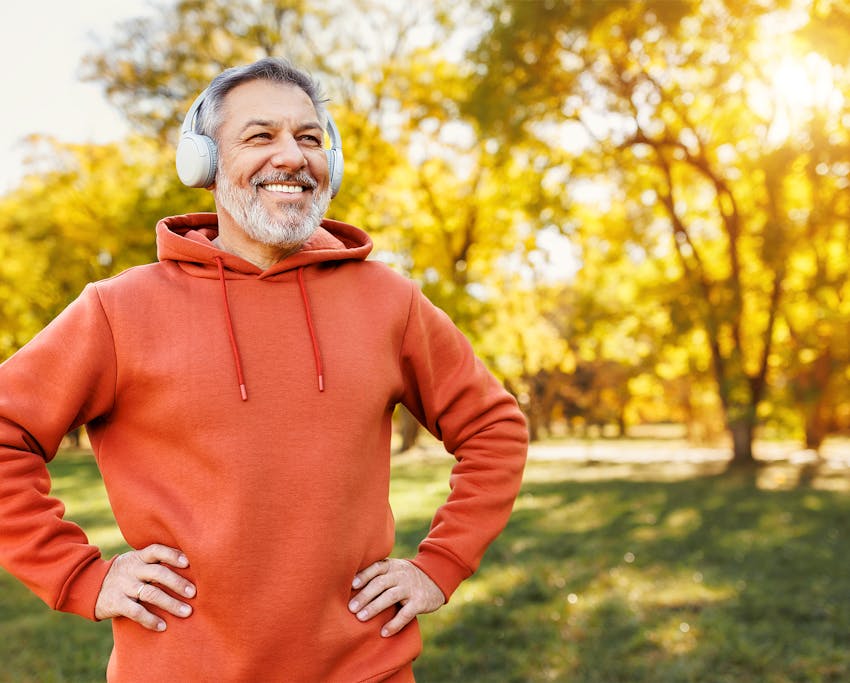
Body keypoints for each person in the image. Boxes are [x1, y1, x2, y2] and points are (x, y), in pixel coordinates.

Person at [0, 57, 528, 682]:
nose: (292, 157)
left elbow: (495, 429)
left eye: (309, 138)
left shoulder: (392, 301)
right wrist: (80, 574)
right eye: (260, 136)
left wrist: (441, 565)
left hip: (366, 670)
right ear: (204, 164)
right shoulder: (117, 310)